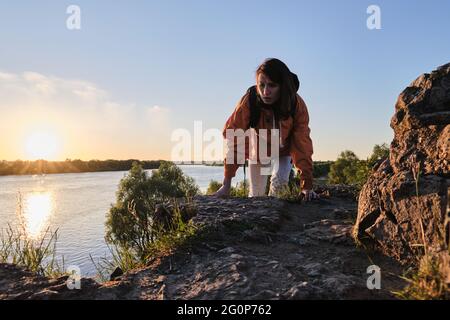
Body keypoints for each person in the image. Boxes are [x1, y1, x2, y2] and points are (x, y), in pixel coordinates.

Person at [214, 58, 319, 201]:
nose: (265, 92)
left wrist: (307, 185)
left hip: (284, 150)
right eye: (261, 85)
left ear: (283, 86)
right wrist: (226, 184)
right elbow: (234, 138)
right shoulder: (249, 101)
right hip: (258, 149)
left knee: (279, 184)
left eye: (272, 85)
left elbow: (302, 144)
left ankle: (276, 219)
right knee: (255, 195)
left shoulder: (296, 105)